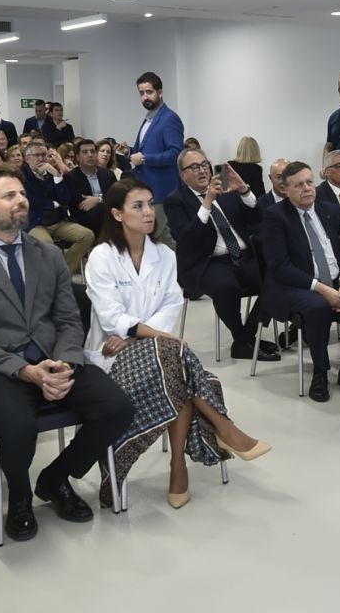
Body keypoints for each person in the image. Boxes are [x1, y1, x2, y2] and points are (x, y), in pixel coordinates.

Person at [0, 167, 135, 541]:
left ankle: (55, 478)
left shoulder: (46, 254)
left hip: (54, 357)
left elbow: (67, 317)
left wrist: (64, 363)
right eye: (9, 196)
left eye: (22, 193)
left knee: (117, 408)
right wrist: (26, 372)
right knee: (16, 425)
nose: (22, 201)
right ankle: (19, 497)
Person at [84, 179, 271, 508]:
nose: (148, 213)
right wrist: (154, 335)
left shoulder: (164, 255)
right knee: (176, 357)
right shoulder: (101, 257)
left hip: (140, 346)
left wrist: (141, 335)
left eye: (149, 204)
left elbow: (171, 307)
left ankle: (179, 465)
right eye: (137, 206)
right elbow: (110, 316)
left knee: (172, 363)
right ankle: (221, 429)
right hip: (109, 358)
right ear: (116, 214)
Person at [259, 160, 340, 402]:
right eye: (299, 185)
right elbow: (280, 267)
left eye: (309, 182)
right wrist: (325, 290)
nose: (307, 188)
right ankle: (320, 372)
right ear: (286, 189)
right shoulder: (275, 216)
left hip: (336, 281)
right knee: (318, 307)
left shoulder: (330, 210)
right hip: (295, 285)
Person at [166, 147, 275, 361]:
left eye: (204, 164)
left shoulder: (227, 189)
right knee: (225, 286)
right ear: (182, 175)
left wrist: (244, 190)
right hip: (207, 262)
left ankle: (246, 337)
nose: (202, 170)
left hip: (243, 256)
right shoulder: (176, 200)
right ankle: (243, 339)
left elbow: (256, 220)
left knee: (277, 277)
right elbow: (187, 240)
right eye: (194, 167)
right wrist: (207, 202)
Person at [21, 140, 95, 272]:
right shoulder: (21, 176)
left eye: (44, 155)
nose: (41, 159)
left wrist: (56, 175)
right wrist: (53, 203)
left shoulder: (51, 173)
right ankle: (56, 278)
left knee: (87, 235)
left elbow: (65, 199)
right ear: (27, 158)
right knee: (48, 246)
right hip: (36, 222)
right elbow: (30, 201)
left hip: (58, 220)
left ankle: (64, 274)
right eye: (37, 155)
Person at [128, 71, 185, 212]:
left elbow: (176, 154)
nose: (145, 97)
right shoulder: (149, 118)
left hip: (162, 191)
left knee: (164, 234)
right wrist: (129, 152)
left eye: (149, 92)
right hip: (145, 190)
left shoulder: (169, 118)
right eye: (141, 93)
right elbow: (146, 150)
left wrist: (145, 159)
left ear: (160, 93)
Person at [61, 138, 116, 235]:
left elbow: (116, 196)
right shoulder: (71, 177)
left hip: (108, 214)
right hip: (84, 217)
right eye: (85, 152)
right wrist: (102, 202)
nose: (90, 155)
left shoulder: (108, 174)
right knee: (100, 211)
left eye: (92, 151)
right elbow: (81, 205)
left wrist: (99, 199)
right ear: (77, 157)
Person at [324, 73, 340, 158]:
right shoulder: (333, 118)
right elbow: (329, 147)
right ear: (339, 92)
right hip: (339, 168)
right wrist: (325, 168)